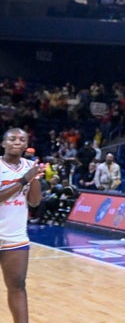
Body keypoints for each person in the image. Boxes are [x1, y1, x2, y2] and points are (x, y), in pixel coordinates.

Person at [0, 128, 42, 323]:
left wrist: (34, 177)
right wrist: (24, 179)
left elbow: (34, 202)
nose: (17, 142)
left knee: (17, 285)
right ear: (3, 143)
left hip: (15, 236)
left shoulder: (29, 167)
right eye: (12, 138)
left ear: (26, 145)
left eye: (22, 139)